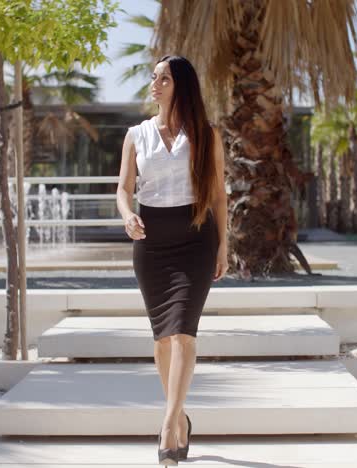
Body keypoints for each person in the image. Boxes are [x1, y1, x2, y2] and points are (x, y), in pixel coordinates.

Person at [116, 54, 228, 466]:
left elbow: (217, 194)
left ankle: (167, 425)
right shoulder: (136, 134)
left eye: (164, 78)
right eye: (153, 78)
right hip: (151, 242)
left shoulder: (205, 135)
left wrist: (223, 246)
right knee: (163, 340)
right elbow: (124, 189)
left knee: (183, 332)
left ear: (181, 84)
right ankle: (180, 416)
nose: (155, 84)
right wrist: (128, 215)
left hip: (196, 237)